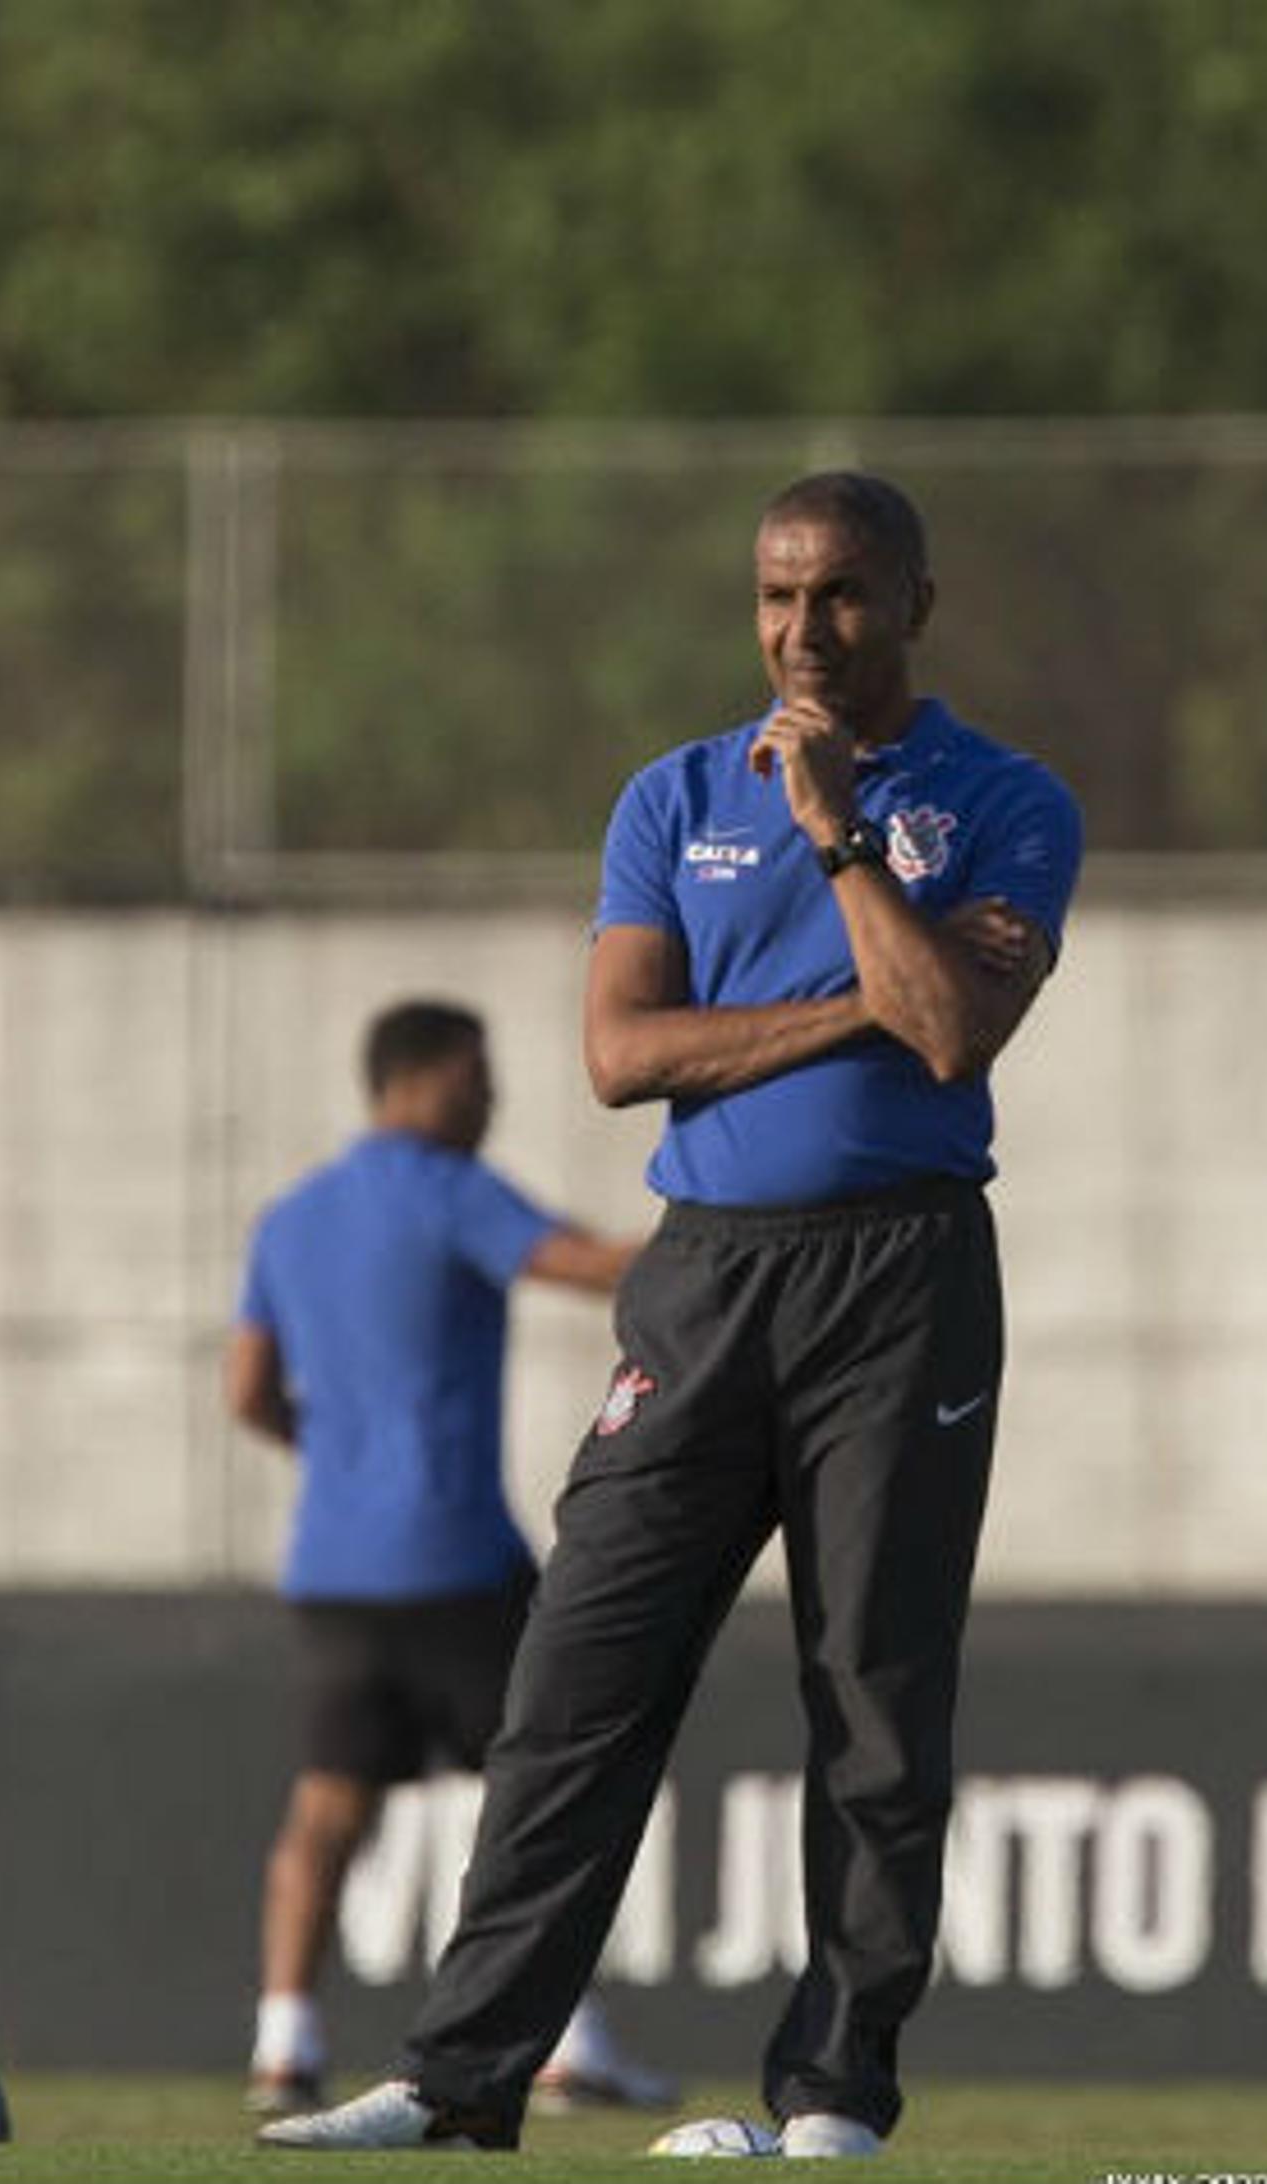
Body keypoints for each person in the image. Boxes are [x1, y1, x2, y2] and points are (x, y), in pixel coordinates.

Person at [262, 473, 1078, 2159]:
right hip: (705, 1268)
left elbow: (952, 1042)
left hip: (903, 1271)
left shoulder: (1008, 799)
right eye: (776, 597)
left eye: (842, 595)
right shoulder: (675, 795)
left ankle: (835, 2091)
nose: (802, 630)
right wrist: (868, 981)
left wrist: (845, 832)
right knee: (575, 1675)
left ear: (916, 602)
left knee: (871, 1686)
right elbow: (625, 1055)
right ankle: (459, 2078)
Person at [231, 999, 667, 2117]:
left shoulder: (291, 1218)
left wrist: (331, 1454)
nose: (492, 1099)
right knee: (541, 1795)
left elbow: (245, 1390)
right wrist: (733, 1223)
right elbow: (589, 1265)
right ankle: (567, 2038)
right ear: (419, 1082)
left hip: (332, 1563)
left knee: (326, 1806)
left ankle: (283, 2038)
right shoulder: (448, 1190)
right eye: (478, 1078)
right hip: (458, 1557)